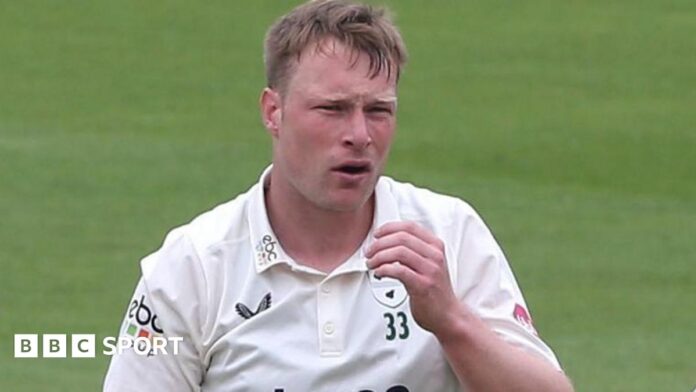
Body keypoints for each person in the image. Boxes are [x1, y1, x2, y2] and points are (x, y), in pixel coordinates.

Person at [103, 1, 574, 391]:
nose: (359, 135)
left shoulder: (447, 234)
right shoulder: (196, 267)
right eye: (332, 109)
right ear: (274, 111)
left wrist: (451, 320)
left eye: (378, 110)